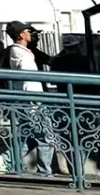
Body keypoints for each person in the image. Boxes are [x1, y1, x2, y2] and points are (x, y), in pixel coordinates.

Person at [5, 21, 62, 175]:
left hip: (28, 100)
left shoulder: (19, 51)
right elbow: (28, 78)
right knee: (46, 137)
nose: (30, 33)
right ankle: (44, 172)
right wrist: (36, 101)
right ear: (21, 34)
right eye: (27, 31)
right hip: (33, 100)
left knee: (29, 137)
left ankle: (5, 161)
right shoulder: (21, 53)